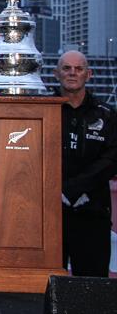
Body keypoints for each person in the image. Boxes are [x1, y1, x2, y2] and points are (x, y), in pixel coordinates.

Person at [55, 50, 117, 277]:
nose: (72, 73)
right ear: (56, 74)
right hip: (50, 213)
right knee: (43, 286)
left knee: (91, 288)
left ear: (88, 74)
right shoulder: (43, 112)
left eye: (79, 69)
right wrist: (58, 190)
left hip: (92, 211)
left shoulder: (107, 115)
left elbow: (112, 159)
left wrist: (75, 188)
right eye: (67, 68)